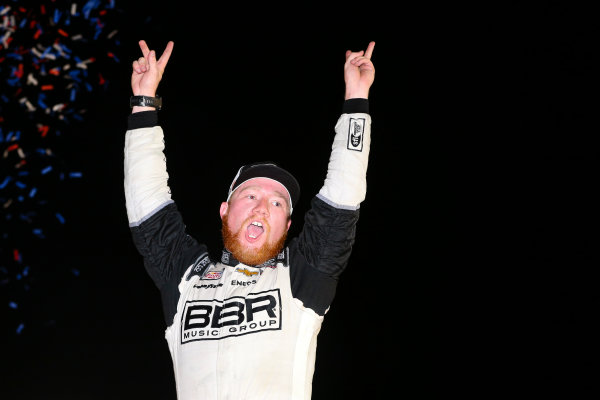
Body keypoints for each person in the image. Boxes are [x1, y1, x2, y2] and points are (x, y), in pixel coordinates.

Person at [124, 38, 375, 400]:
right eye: (251, 195)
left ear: (288, 227)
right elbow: (147, 204)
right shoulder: (186, 279)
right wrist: (144, 103)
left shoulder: (301, 277)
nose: (262, 207)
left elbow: (344, 193)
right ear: (225, 210)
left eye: (277, 204)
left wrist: (357, 96)